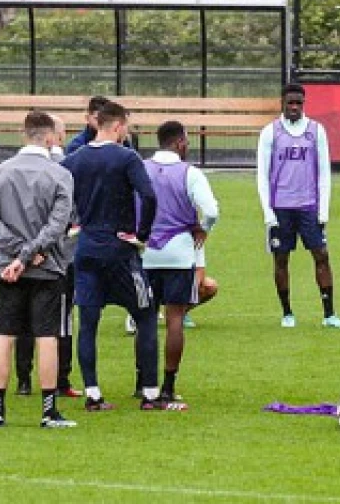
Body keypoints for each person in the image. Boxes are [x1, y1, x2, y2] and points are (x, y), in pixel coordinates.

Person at [62, 101, 174, 412]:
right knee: (146, 314)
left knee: (88, 323)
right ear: (117, 126)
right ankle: (151, 395)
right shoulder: (127, 157)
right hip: (120, 251)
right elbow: (149, 196)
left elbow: (57, 191)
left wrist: (71, 222)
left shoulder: (75, 159)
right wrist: (142, 234)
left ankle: (93, 394)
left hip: (86, 250)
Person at [0, 111, 78, 429]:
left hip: (8, 267)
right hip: (47, 267)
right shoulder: (60, 175)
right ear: (50, 138)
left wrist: (16, 255)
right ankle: (48, 411)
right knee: (47, 337)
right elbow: (58, 224)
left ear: (25, 134)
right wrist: (30, 253)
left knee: (4, 336)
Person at [141, 121, 221, 406]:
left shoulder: (141, 168)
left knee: (145, 318)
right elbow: (211, 210)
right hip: (178, 251)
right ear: (179, 143)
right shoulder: (191, 173)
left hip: (145, 251)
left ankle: (144, 384)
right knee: (175, 318)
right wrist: (203, 226)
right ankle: (167, 386)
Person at [257, 83, 340, 329]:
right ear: (282, 103)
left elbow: (324, 173)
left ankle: (329, 314)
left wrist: (324, 211)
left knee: (321, 256)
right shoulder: (270, 132)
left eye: (299, 103)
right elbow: (262, 175)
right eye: (290, 103)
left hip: (308, 206)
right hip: (280, 207)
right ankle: (287, 313)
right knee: (281, 260)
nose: (295, 107)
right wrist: (268, 213)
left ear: (304, 103)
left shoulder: (316, 131)